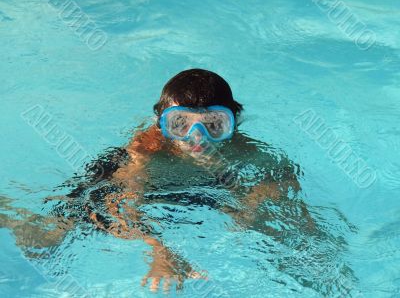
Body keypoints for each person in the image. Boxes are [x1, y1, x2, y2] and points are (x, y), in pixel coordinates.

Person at [1, 69, 309, 293]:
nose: (196, 138)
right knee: (44, 242)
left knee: (285, 226)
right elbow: (121, 204)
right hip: (132, 183)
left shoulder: (244, 148)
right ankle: (13, 216)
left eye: (214, 125)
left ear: (233, 121)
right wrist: (159, 250)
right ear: (160, 123)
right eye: (180, 124)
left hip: (201, 189)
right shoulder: (145, 149)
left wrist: (250, 199)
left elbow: (283, 181)